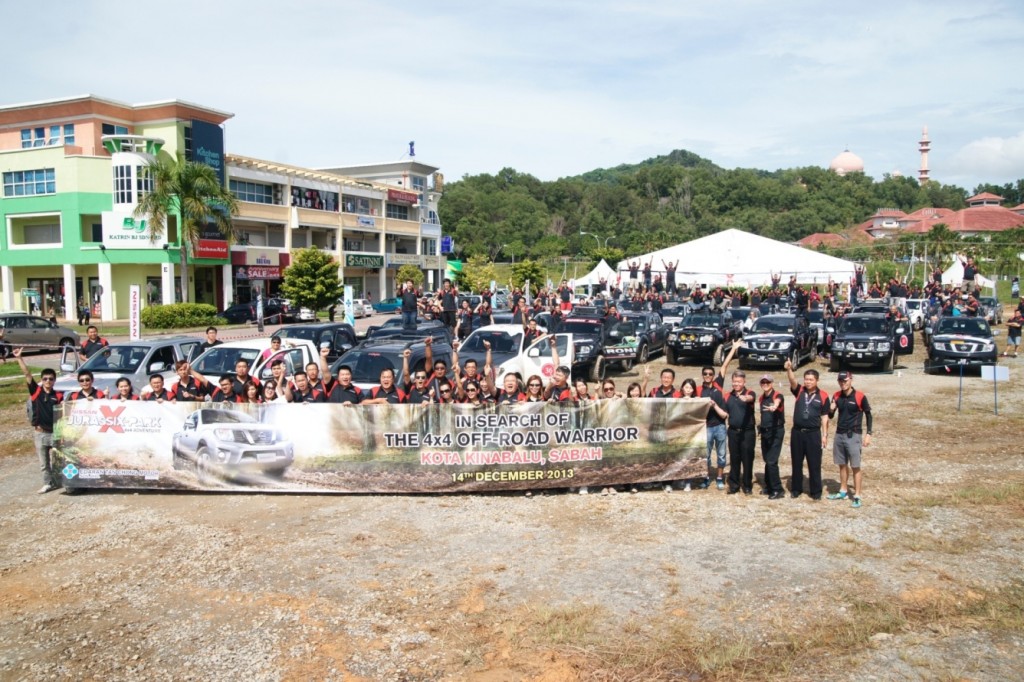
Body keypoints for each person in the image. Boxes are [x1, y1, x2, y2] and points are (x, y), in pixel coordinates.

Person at [16, 348, 63, 493]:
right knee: (44, 463)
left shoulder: (59, 395)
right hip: (40, 433)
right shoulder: (36, 392)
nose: (48, 381)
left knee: (58, 461)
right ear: (41, 380)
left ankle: (59, 481)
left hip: (55, 433)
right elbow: (27, 374)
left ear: (54, 380)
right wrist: (19, 358)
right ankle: (47, 483)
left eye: (50, 379)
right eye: (45, 379)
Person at [784, 359, 830, 500]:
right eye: (806, 379)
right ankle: (796, 489)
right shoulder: (800, 391)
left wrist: (825, 435)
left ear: (816, 380)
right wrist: (789, 369)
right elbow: (792, 381)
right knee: (796, 462)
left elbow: (825, 417)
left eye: (811, 379)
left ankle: (816, 491)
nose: (808, 382)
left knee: (814, 463)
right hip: (797, 432)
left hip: (813, 434)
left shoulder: (823, 396)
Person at [828, 371, 872, 508]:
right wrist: (831, 409)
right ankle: (843, 490)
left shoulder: (860, 396)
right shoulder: (836, 395)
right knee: (842, 464)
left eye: (845, 380)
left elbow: (868, 414)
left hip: (854, 435)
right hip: (839, 434)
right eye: (840, 381)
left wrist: (869, 434)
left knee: (855, 466)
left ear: (851, 380)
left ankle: (857, 495)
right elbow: (830, 415)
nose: (843, 383)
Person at [724, 370, 757, 495]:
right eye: (734, 381)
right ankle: (734, 485)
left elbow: (751, 398)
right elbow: (725, 413)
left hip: (747, 432)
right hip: (733, 432)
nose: (736, 384)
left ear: (744, 382)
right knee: (734, 458)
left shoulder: (749, 393)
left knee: (747, 458)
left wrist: (745, 398)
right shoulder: (727, 396)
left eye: (739, 381)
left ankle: (747, 485)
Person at [757, 375, 786, 499]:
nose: (765, 384)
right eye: (763, 382)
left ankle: (777, 489)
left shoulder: (777, 395)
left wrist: (775, 406)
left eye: (767, 382)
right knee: (767, 459)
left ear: (772, 383)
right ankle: (768, 486)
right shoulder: (761, 398)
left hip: (776, 431)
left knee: (771, 461)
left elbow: (778, 401)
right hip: (765, 432)